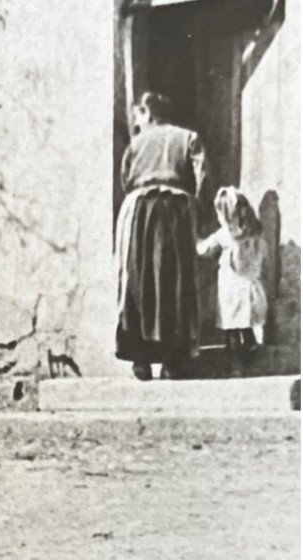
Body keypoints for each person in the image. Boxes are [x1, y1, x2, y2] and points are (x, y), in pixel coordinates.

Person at [116, 91, 207, 381]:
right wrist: (199, 207)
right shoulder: (188, 138)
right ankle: (171, 360)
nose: (136, 123)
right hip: (176, 211)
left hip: (140, 210)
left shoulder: (136, 144)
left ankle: (140, 359)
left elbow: (125, 179)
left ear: (149, 114)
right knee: (173, 280)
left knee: (138, 280)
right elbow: (202, 175)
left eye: (138, 116)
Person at [197, 186, 268, 376]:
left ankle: (236, 365)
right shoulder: (256, 234)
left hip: (231, 289)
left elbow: (204, 249)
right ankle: (250, 350)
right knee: (246, 325)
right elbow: (264, 258)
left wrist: (194, 239)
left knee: (231, 329)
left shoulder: (225, 235)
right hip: (251, 286)